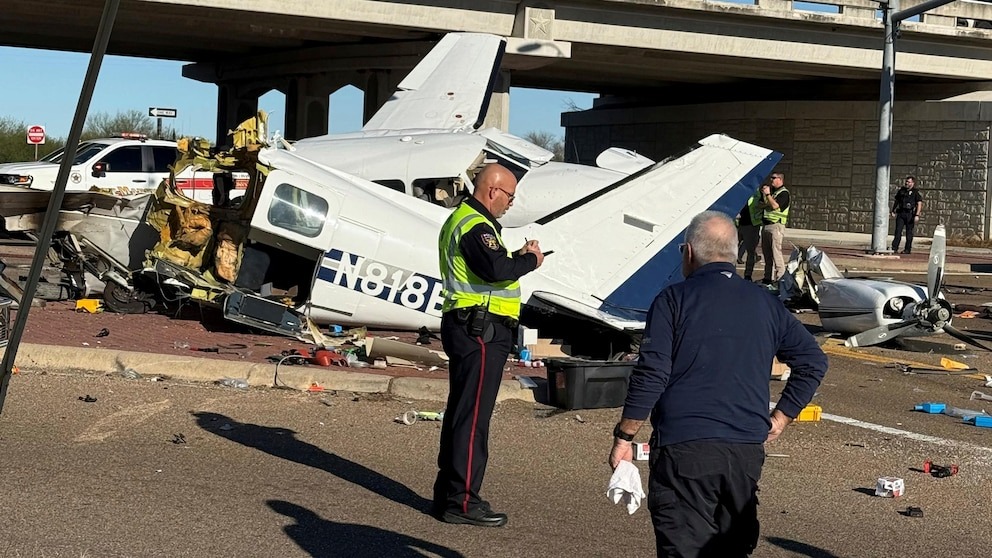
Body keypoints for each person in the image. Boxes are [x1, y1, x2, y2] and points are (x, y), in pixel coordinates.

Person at [608, 210, 827, 557]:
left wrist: (625, 435)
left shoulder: (672, 300)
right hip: (743, 452)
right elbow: (813, 361)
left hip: (685, 448)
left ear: (689, 252)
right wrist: (781, 417)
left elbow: (652, 373)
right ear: (734, 253)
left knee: (684, 547)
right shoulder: (765, 303)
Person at [432, 163, 544, 527]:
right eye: (509, 195)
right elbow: (496, 269)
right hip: (480, 329)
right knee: (473, 418)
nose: (511, 203)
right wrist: (529, 259)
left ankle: (449, 494)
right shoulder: (475, 226)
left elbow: (489, 266)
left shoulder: (464, 222)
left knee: (462, 413)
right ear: (493, 191)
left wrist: (513, 257)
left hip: (469, 326)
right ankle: (462, 501)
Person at [759, 172, 789, 285]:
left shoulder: (784, 193)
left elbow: (776, 206)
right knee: (767, 254)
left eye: (773, 178)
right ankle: (768, 278)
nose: (771, 180)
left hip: (776, 226)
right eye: (770, 178)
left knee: (776, 253)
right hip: (766, 225)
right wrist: (766, 195)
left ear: (780, 179)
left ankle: (781, 278)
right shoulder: (773, 193)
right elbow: (762, 205)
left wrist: (768, 195)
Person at [736, 187, 764, 281]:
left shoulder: (759, 193)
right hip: (740, 223)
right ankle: (731, 272)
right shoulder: (742, 191)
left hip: (752, 224)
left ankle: (748, 275)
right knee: (732, 249)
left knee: (750, 251)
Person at [891, 175, 923, 254]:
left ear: (912, 183)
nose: (906, 183)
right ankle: (894, 248)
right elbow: (897, 201)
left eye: (908, 182)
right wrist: (893, 210)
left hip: (910, 214)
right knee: (898, 231)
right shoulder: (902, 191)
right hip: (901, 213)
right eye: (906, 181)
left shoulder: (915, 192)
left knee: (909, 233)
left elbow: (919, 203)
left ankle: (907, 249)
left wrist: (917, 215)